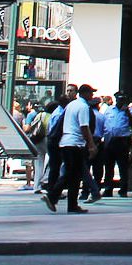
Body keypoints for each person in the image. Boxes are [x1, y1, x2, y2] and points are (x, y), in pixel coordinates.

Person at [44, 83, 97, 213]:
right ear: (84, 94)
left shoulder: (71, 105)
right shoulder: (83, 107)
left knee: (74, 174)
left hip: (66, 142)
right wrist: (91, 145)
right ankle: (52, 196)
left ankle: (71, 204)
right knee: (71, 173)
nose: (92, 95)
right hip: (75, 143)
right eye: (91, 93)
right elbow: (84, 127)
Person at [99, 93, 132, 197]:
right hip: (109, 139)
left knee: (123, 166)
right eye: (119, 99)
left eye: (123, 99)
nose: (121, 101)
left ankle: (123, 189)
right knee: (108, 166)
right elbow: (104, 123)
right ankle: (108, 189)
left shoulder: (130, 111)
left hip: (123, 140)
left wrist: (127, 112)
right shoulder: (109, 110)